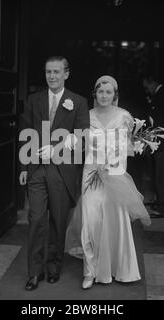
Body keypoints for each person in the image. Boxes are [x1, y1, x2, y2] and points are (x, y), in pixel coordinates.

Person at [65, 75, 151, 290]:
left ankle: (118, 267)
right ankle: (89, 271)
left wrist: (112, 166)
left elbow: (128, 148)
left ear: (115, 95)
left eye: (108, 92)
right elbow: (77, 143)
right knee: (90, 220)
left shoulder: (124, 117)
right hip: (91, 173)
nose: (104, 95)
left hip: (114, 174)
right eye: (100, 92)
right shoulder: (86, 116)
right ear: (95, 94)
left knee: (114, 221)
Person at [18, 56, 90, 291]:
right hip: (37, 169)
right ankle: (34, 272)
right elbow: (26, 132)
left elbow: (82, 137)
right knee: (36, 219)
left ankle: (53, 267)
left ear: (66, 74)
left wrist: (59, 147)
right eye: (48, 72)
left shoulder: (78, 102)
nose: (52, 76)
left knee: (58, 222)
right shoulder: (34, 100)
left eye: (57, 72)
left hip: (62, 170)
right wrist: (23, 167)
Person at [142, 75, 164, 218]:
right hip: (158, 142)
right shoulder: (159, 96)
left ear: (153, 82)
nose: (147, 90)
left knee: (163, 177)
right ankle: (160, 203)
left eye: (147, 87)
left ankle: (163, 208)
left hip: (163, 143)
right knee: (159, 175)